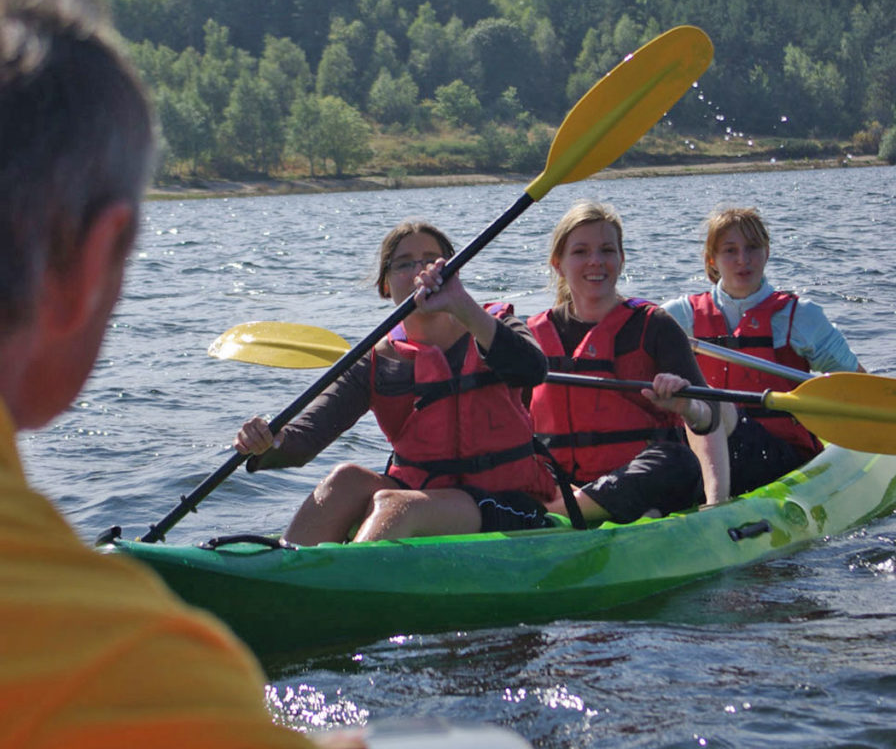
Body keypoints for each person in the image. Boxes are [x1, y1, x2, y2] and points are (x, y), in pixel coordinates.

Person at [0, 0, 428, 749]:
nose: (423, 283)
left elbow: (527, 372)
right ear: (96, 264)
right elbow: (317, 427)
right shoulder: (127, 671)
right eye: (408, 270)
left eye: (437, 267)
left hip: (496, 503)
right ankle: (302, 576)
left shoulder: (492, 339)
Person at [236, 220, 556, 544]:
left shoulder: (493, 325)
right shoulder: (376, 360)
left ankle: (349, 583)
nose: (420, 272)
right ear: (386, 285)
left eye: (432, 261)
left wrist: (462, 306)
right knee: (345, 479)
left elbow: (532, 371)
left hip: (508, 504)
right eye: (404, 264)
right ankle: (283, 572)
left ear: (454, 271)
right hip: (419, 494)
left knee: (395, 506)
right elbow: (305, 437)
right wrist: (267, 440)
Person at [525, 201, 729, 526]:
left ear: (621, 260)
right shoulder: (531, 336)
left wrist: (687, 406)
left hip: (639, 475)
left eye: (607, 250)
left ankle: (563, 514)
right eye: (580, 251)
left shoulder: (655, 325)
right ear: (558, 264)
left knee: (678, 461)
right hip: (559, 480)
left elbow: (710, 414)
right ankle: (584, 508)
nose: (596, 261)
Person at [662, 205, 866, 493]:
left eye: (753, 248)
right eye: (730, 250)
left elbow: (856, 381)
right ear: (712, 260)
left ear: (767, 253)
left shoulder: (801, 317)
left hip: (781, 457)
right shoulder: (680, 316)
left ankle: (713, 503)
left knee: (715, 400)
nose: (743, 260)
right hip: (704, 453)